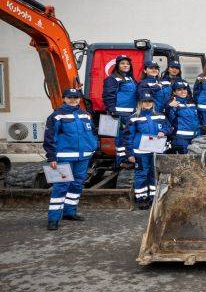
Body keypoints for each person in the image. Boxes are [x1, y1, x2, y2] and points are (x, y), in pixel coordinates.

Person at [43, 88, 98, 230]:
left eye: (76, 97)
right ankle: (53, 219)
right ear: (64, 98)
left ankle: (69, 212)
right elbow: (50, 138)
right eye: (70, 97)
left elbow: (92, 132)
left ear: (79, 99)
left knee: (77, 185)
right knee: (61, 186)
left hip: (83, 157)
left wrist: (93, 146)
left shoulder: (85, 115)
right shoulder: (56, 116)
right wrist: (51, 157)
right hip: (63, 157)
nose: (73, 100)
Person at [122, 93, 171, 209]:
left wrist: (163, 131)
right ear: (140, 103)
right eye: (145, 101)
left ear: (153, 103)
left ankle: (153, 197)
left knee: (154, 174)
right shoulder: (134, 117)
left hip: (155, 152)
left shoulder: (160, 116)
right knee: (141, 175)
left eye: (150, 101)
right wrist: (129, 154)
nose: (148, 103)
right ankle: (142, 199)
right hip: (140, 152)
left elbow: (169, 127)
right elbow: (128, 136)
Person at [102, 55, 137, 166]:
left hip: (130, 114)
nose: (125, 65)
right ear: (117, 65)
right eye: (122, 63)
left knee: (128, 137)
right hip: (120, 114)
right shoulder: (113, 78)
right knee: (122, 138)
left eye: (127, 63)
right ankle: (122, 161)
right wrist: (112, 110)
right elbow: (108, 95)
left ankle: (127, 158)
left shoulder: (130, 78)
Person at [166, 81, 200, 154]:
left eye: (184, 89)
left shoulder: (192, 103)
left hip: (195, 138)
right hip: (180, 139)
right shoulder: (172, 103)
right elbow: (170, 120)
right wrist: (170, 107)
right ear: (174, 92)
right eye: (179, 90)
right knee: (183, 163)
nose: (183, 91)